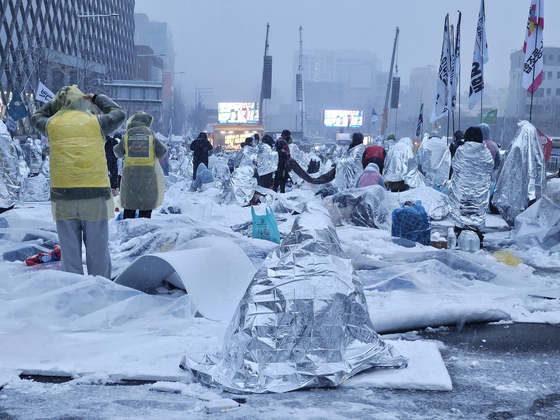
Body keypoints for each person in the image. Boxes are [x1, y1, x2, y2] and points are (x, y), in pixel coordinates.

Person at [31, 85, 125, 279]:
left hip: (63, 197)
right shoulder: (96, 122)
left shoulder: (52, 124)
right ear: (84, 101)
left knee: (70, 253)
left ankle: (73, 291)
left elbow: (36, 116)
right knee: (98, 252)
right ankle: (100, 291)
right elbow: (119, 113)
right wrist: (97, 98)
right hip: (95, 196)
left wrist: (57, 102)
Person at [113, 111, 167, 220]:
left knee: (129, 208)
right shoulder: (150, 134)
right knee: (145, 211)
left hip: (130, 178)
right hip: (148, 177)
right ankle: (144, 232)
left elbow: (118, 153)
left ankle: (129, 233)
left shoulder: (127, 135)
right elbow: (162, 152)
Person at [448, 126, 494, 246]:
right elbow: (490, 165)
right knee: (476, 214)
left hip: (463, 192)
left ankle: (461, 234)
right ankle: (477, 237)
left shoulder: (461, 151)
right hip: (479, 192)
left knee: (462, 214)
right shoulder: (485, 152)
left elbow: (455, 165)